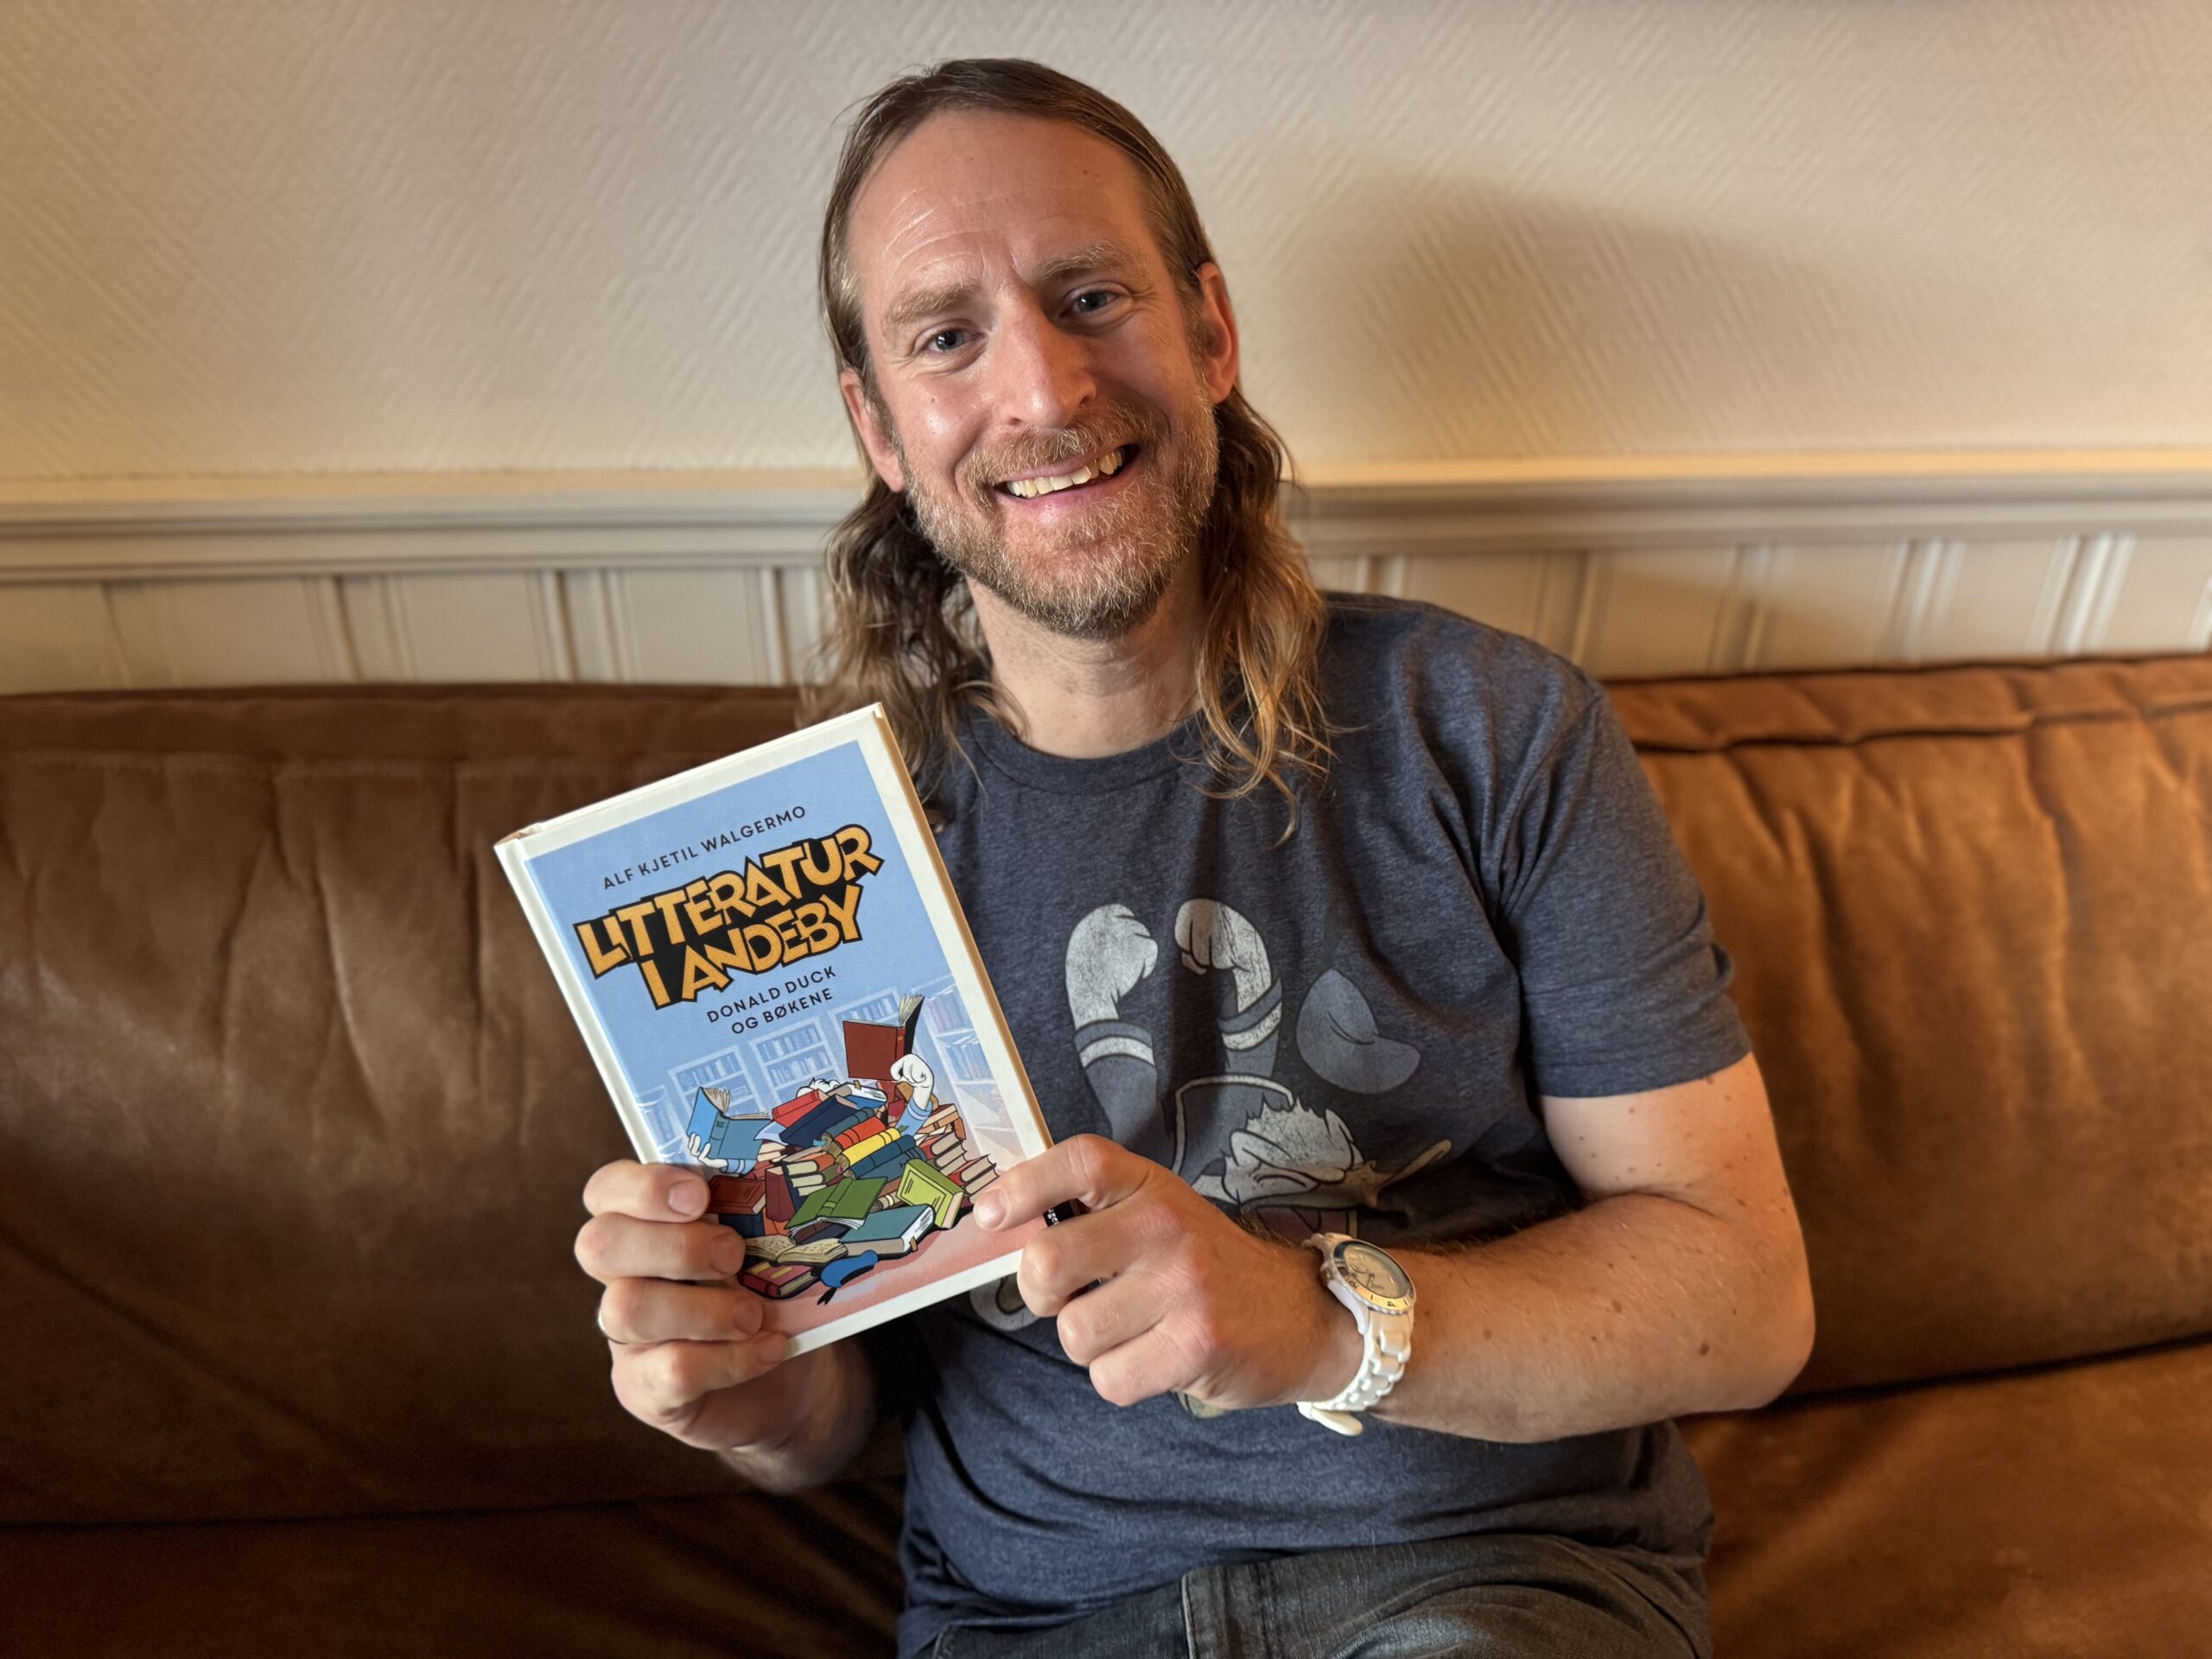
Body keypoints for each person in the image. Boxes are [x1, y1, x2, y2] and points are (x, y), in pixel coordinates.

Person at [575, 58, 1815, 1659]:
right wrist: (744, 1388)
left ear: (1210, 334)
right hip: (1036, 1619)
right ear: (879, 424)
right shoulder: (818, 868)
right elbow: (835, 1414)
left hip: (1483, 1577)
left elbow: (1745, 1298)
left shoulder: (1491, 730)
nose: (1042, 390)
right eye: (947, 336)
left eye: (1091, 297)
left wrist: (1319, 1322)